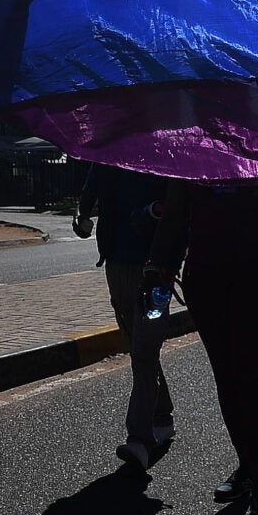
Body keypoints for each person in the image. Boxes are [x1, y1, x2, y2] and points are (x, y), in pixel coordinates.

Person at [145, 181, 258, 515]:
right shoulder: (192, 153)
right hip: (206, 277)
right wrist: (156, 267)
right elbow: (174, 212)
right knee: (227, 376)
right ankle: (247, 467)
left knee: (254, 376)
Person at [75, 161, 172, 469]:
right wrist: (81, 217)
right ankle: (162, 414)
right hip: (116, 263)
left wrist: (156, 212)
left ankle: (139, 438)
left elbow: (180, 205)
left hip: (154, 268)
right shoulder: (108, 154)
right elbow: (88, 194)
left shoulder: (161, 153)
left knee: (144, 350)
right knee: (138, 348)